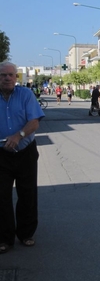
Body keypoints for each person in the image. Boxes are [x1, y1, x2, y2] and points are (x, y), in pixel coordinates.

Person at [0, 61, 45, 254]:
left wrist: (19, 136)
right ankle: (4, 238)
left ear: (16, 77)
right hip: (1, 155)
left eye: (11, 75)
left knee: (27, 194)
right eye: (3, 75)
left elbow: (34, 122)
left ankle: (26, 233)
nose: (8, 78)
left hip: (25, 152)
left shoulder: (26, 95)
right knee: (1, 196)